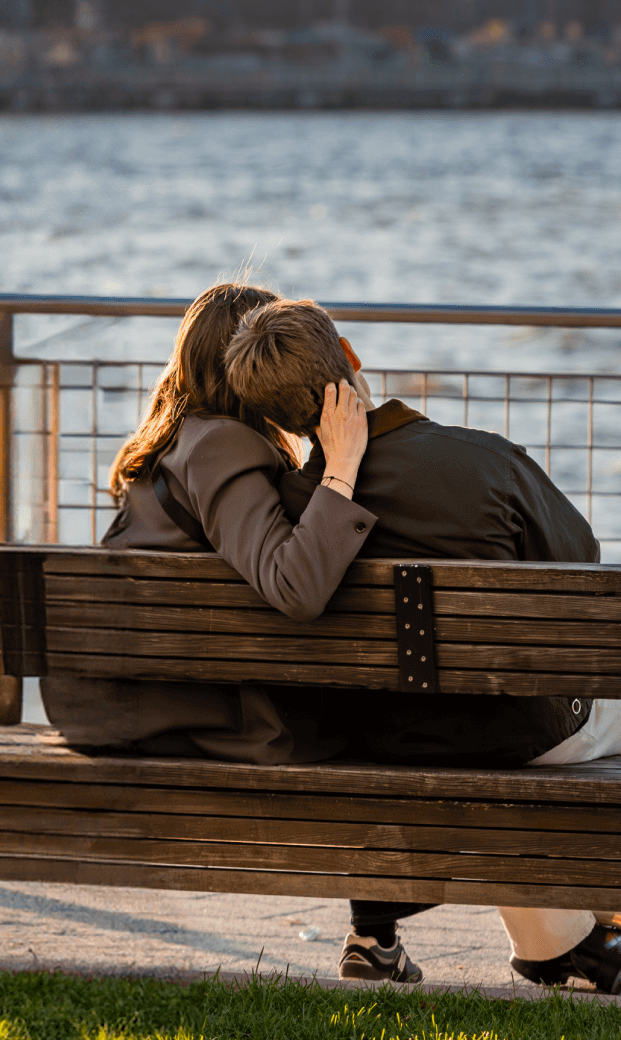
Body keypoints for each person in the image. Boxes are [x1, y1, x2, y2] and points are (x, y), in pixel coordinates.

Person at [224, 294, 621, 997]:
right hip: (515, 732)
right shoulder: (483, 462)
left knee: (488, 754)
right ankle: (584, 936)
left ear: (276, 418)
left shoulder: (294, 520)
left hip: (376, 744)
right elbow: (582, 572)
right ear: (353, 359)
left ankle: (567, 946)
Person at [40, 280, 377, 764]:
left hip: (124, 702)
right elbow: (296, 587)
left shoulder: (174, 443)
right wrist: (343, 466)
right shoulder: (220, 446)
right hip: (187, 718)